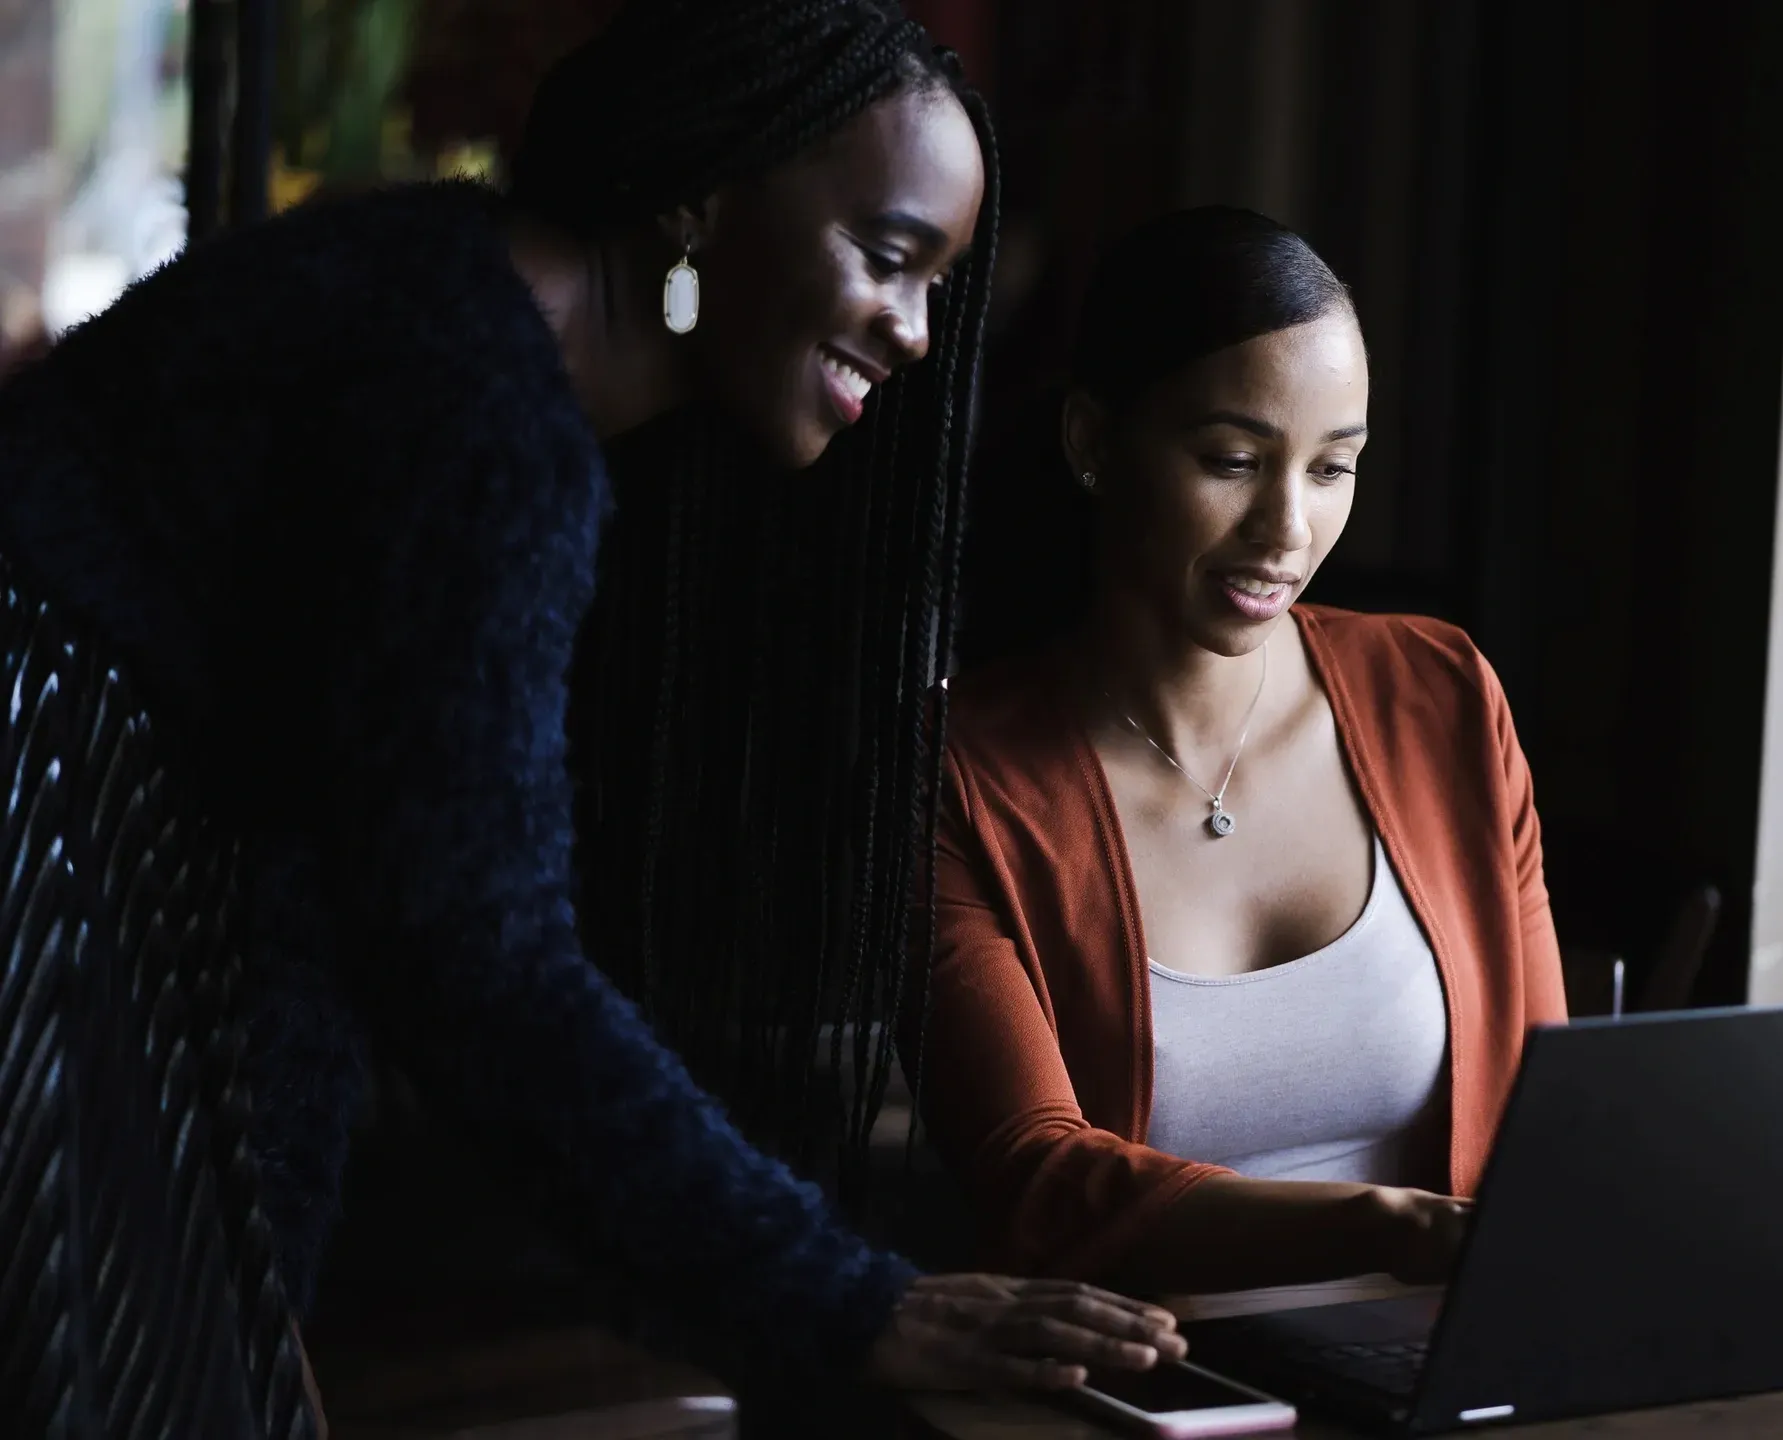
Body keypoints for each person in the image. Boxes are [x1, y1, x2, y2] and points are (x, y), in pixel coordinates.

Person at [0, 0, 1184, 1398]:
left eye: (939, 285)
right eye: (887, 256)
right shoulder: (476, 401)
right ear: (700, 195)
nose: (918, 334)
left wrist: (255, 1312)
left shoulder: (439, 295)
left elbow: (342, 894)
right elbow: (475, 960)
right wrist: (848, 1301)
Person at [915, 207, 1569, 1295]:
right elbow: (1034, 1179)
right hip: (1141, 1366)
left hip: (1439, 1358)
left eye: (1333, 468)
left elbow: (1547, 1111)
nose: (1286, 530)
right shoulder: (958, 777)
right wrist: (1390, 1230)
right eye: (1232, 460)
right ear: (1092, 443)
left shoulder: (1443, 698)